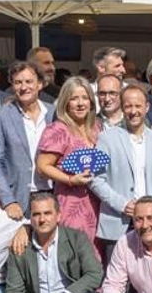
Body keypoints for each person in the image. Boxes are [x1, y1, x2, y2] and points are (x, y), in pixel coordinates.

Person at [92, 83, 152, 248]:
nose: (133, 111)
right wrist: (122, 204)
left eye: (138, 106)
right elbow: (96, 179)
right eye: (128, 106)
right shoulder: (106, 139)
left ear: (147, 107)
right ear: (122, 108)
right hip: (118, 221)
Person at [34, 76, 104, 244]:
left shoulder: (98, 127)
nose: (80, 103)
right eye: (74, 98)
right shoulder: (57, 130)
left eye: (84, 98)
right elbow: (42, 166)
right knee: (76, 251)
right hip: (72, 202)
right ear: (65, 102)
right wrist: (71, 179)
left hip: (99, 202)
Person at [0, 60, 53, 217]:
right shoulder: (0, 117)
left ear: (40, 84)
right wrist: (8, 200)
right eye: (18, 82)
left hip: (52, 195)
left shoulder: (54, 114)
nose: (24, 87)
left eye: (29, 81)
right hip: (18, 198)